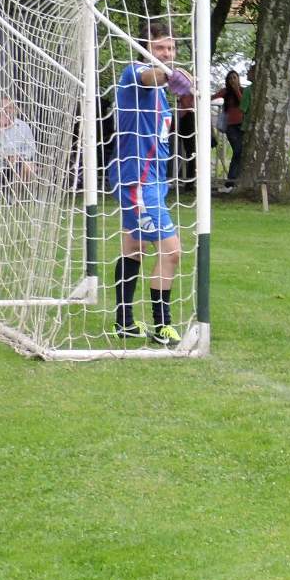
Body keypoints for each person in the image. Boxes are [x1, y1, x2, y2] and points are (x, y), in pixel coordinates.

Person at [108, 25, 190, 345]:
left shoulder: (161, 93)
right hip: (138, 182)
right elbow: (151, 76)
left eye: (171, 48)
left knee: (135, 247)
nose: (167, 54)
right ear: (145, 49)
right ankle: (163, 326)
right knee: (172, 252)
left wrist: (186, 82)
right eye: (160, 48)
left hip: (152, 180)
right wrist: (169, 76)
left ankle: (125, 322)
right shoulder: (134, 73)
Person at [0, 98, 38, 203]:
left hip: (17, 163)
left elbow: (31, 149)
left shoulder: (23, 126)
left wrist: (19, 156)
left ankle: (14, 197)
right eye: (4, 108)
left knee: (29, 168)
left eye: (10, 108)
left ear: (15, 110)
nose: (7, 111)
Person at [218, 70, 246, 189]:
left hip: (243, 125)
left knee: (241, 152)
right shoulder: (225, 92)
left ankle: (234, 180)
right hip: (231, 127)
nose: (233, 80)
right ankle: (230, 181)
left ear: (238, 78)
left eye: (235, 77)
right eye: (230, 78)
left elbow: (243, 103)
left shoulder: (243, 91)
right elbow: (212, 97)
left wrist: (237, 90)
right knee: (238, 151)